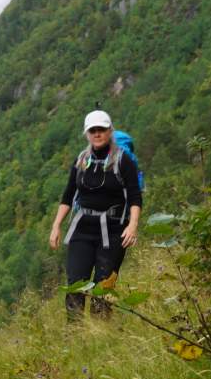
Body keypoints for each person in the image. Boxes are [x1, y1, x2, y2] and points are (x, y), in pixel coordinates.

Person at [48, 109, 143, 315]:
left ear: (110, 131)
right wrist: (56, 226)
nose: (97, 134)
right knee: (76, 284)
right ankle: (75, 334)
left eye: (101, 129)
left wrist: (133, 225)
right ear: (87, 134)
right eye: (93, 130)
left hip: (113, 229)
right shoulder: (81, 160)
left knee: (104, 286)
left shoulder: (123, 161)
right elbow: (68, 194)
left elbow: (135, 196)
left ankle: (100, 334)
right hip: (82, 229)